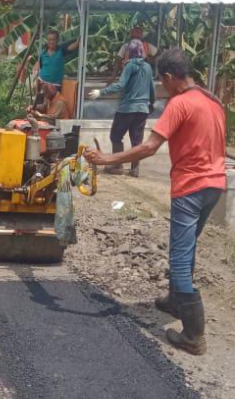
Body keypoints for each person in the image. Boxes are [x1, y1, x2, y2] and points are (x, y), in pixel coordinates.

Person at [85, 48, 226, 356]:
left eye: (162, 82)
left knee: (178, 258)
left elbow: (149, 147)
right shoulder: (211, 101)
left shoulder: (180, 104)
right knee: (186, 248)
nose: (162, 88)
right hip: (215, 186)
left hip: (190, 188)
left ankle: (193, 336)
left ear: (169, 77)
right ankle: (176, 300)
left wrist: (108, 158)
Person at [89, 39, 156, 177]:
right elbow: (152, 88)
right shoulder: (148, 67)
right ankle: (135, 169)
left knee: (116, 136)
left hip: (127, 109)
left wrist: (101, 92)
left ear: (129, 52)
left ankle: (117, 164)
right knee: (137, 140)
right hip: (142, 110)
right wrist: (151, 104)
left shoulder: (130, 66)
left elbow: (120, 85)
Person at [32, 30, 79, 96]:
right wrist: (35, 75)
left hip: (55, 86)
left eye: (53, 40)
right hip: (42, 83)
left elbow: (71, 47)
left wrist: (78, 42)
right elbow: (37, 64)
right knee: (40, 100)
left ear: (57, 41)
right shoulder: (43, 53)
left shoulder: (61, 50)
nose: (51, 42)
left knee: (52, 102)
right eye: (49, 40)